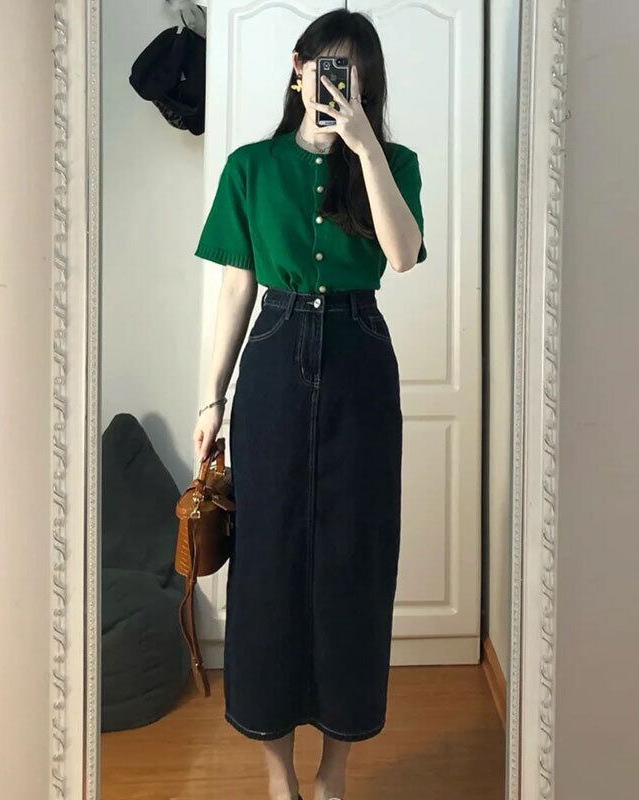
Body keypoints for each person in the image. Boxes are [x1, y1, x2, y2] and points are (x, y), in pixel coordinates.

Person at [191, 9, 427, 800]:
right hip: (274, 354)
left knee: (356, 557)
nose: (335, 81)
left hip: (360, 356)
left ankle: (334, 773)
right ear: (298, 68)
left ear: (368, 83)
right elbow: (236, 288)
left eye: (352, 71)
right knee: (268, 559)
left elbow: (402, 255)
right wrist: (210, 397)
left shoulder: (392, 162)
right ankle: (278, 776)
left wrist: (364, 147)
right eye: (327, 65)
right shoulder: (250, 167)